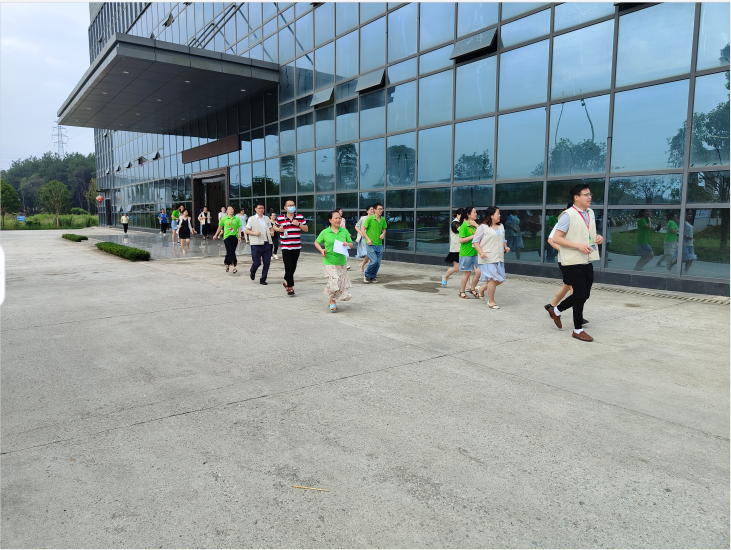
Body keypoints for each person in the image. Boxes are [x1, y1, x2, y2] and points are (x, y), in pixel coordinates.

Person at [545, 184, 604, 342]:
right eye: (586, 194)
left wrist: (598, 238)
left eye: (590, 194)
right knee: (579, 293)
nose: (590, 197)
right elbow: (556, 238)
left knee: (584, 294)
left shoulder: (590, 212)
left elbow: (586, 234)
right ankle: (578, 329)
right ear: (576, 197)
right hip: (571, 261)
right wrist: (577, 246)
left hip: (587, 258)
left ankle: (556, 310)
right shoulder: (568, 215)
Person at [543, 201, 589, 326]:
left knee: (567, 286)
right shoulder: (564, 220)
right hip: (567, 260)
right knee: (575, 289)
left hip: (576, 260)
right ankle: (576, 316)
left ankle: (552, 306)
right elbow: (551, 239)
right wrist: (562, 250)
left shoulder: (580, 222)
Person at [314, 210, 354, 312]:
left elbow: (351, 244)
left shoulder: (344, 231)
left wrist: (347, 244)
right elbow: (316, 242)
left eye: (339, 218)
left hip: (341, 261)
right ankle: (333, 302)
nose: (338, 220)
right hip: (329, 260)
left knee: (340, 282)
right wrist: (321, 250)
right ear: (330, 220)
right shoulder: (325, 232)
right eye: (336, 218)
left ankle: (330, 300)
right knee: (334, 280)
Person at [473, 206, 510, 309]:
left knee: (500, 280)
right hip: (487, 257)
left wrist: (505, 247)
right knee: (493, 279)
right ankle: (491, 301)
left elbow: (503, 239)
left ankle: (481, 288)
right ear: (491, 215)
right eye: (498, 213)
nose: (499, 215)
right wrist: (481, 253)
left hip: (499, 257)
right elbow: (475, 242)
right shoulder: (482, 227)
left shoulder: (501, 226)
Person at [274, 199, 308, 296]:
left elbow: (306, 229)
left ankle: (286, 281)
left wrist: (299, 224)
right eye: (289, 205)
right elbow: (274, 227)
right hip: (286, 246)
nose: (291, 206)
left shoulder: (299, 217)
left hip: (296, 246)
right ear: (285, 207)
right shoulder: (280, 218)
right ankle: (290, 287)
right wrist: (279, 229)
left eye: (293, 205)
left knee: (293, 266)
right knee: (288, 266)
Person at [245, 202, 274, 285]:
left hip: (266, 243)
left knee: (267, 263)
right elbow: (247, 230)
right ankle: (253, 270)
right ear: (255, 209)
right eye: (259, 208)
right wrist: (255, 233)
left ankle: (263, 279)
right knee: (257, 262)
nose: (261, 210)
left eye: (262, 208)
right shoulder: (252, 219)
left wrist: (272, 232)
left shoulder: (266, 218)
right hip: (256, 244)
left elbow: (270, 228)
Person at [457, 206, 481, 299]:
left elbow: (482, 234)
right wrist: (473, 236)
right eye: (474, 212)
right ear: (468, 214)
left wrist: (476, 225)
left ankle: (472, 288)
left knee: (479, 272)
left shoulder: (475, 225)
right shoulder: (464, 226)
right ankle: (462, 291)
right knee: (467, 273)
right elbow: (461, 240)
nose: (476, 214)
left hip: (475, 253)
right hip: (466, 253)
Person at [212, 205, 242, 273]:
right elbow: (220, 227)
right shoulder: (224, 219)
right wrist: (216, 235)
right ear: (227, 211)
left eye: (232, 209)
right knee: (231, 251)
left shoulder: (237, 219)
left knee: (230, 251)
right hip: (226, 237)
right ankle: (233, 266)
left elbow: (239, 228)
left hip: (235, 237)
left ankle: (227, 264)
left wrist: (239, 237)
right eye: (229, 209)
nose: (231, 210)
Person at [363, 203, 387, 283]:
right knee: (374, 261)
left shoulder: (382, 219)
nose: (381, 210)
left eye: (382, 209)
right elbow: (363, 229)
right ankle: (367, 275)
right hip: (370, 244)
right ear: (375, 210)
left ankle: (372, 277)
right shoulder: (369, 219)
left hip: (379, 244)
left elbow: (384, 229)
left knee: (378, 263)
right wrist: (368, 239)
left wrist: (383, 234)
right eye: (379, 209)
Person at [668, 209, 697, 274]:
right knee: (684, 258)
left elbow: (689, 232)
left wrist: (691, 238)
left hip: (690, 244)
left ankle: (686, 272)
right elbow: (679, 233)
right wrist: (686, 237)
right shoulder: (682, 222)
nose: (689, 215)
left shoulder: (688, 222)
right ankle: (672, 264)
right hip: (684, 244)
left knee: (691, 259)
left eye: (690, 214)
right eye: (688, 214)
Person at [442, 208, 463, 287]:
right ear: (458, 215)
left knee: (466, 269)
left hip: (464, 248)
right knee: (456, 268)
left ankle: (467, 286)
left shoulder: (462, 223)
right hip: (456, 249)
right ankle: (445, 276)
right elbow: (461, 230)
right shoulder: (454, 223)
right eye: (462, 216)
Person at [355, 205, 374, 273]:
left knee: (370, 254)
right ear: (367, 211)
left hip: (372, 238)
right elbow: (356, 226)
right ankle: (370, 271)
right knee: (369, 254)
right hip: (364, 239)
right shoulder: (363, 218)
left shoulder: (375, 218)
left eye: (373, 209)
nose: (372, 211)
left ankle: (362, 264)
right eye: (371, 209)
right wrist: (361, 233)